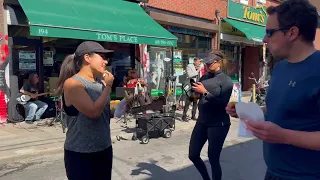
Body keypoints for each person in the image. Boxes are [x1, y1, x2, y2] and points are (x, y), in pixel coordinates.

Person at [226, 0, 320, 179]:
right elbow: (277, 108)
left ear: (292, 33)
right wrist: (245, 111)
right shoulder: (280, 67)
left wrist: (283, 136)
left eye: (270, 32)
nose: (264, 39)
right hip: (273, 172)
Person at [56, 41, 115, 180]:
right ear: (87, 58)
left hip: (104, 149)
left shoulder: (100, 83)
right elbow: (94, 113)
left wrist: (125, 104)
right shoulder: (73, 83)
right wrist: (109, 87)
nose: (105, 62)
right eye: (102, 57)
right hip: (81, 154)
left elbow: (103, 114)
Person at [189, 50, 233, 180]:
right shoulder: (205, 77)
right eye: (206, 63)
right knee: (193, 155)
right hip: (202, 121)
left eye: (210, 63)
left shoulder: (226, 80)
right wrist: (194, 95)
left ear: (218, 62)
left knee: (213, 159)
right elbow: (197, 97)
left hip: (218, 124)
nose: (207, 66)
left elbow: (222, 103)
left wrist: (204, 92)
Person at [182, 57, 202, 122]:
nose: (199, 63)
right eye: (199, 62)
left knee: (195, 102)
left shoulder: (199, 68)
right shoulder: (189, 66)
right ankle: (184, 116)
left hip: (196, 87)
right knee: (188, 102)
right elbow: (190, 75)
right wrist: (197, 71)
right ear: (195, 61)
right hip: (191, 86)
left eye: (200, 62)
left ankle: (193, 116)